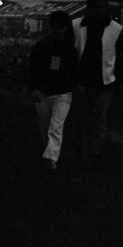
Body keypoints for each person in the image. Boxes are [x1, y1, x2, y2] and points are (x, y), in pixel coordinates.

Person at [72, 0, 123, 167]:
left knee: (99, 121)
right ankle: (81, 154)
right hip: (82, 82)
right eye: (96, 7)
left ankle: (95, 155)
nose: (100, 11)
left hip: (105, 83)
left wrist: (119, 84)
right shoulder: (76, 26)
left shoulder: (116, 29)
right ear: (89, 8)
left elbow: (120, 58)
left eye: (103, 7)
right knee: (82, 120)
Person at [28, 11, 77, 170]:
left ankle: (52, 160)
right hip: (43, 92)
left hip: (63, 93)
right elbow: (33, 68)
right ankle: (49, 153)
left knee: (56, 126)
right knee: (45, 126)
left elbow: (74, 69)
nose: (60, 31)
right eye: (57, 28)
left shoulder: (71, 48)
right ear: (52, 27)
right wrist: (34, 88)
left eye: (62, 28)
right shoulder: (42, 46)